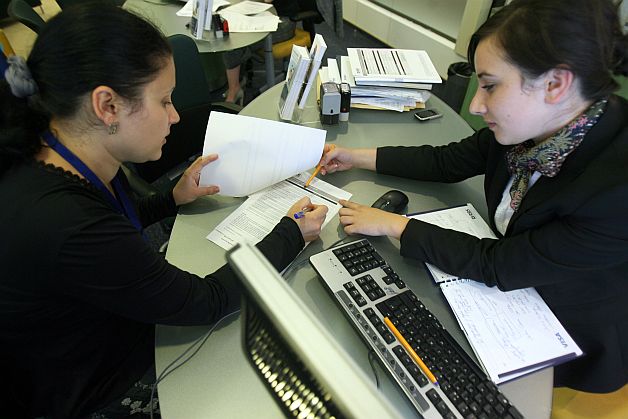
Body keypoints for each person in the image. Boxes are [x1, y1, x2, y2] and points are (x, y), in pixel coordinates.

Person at [0, 3, 327, 418]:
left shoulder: (60, 146)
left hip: (89, 329)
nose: (174, 116)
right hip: (88, 389)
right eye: (164, 100)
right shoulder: (65, 222)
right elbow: (204, 301)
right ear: (108, 106)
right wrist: (292, 232)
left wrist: (170, 199)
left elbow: (115, 218)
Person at [318, 0, 628, 400]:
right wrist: (356, 156)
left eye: (490, 86)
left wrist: (394, 224)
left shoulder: (616, 191)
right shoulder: (535, 127)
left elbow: (499, 263)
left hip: (565, 324)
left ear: (555, 84)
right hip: (515, 283)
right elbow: (448, 160)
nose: (477, 105)